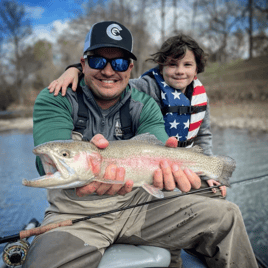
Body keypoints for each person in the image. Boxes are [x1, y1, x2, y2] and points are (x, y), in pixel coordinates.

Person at [24, 21, 258, 268]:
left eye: (120, 63)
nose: (108, 70)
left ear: (130, 68)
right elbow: (45, 164)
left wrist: (181, 167)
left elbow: (160, 143)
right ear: (83, 64)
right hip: (75, 215)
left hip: (142, 205)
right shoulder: (56, 96)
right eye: (97, 61)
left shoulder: (144, 102)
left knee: (227, 215)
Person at [49, 33, 226, 197]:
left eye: (187, 65)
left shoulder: (199, 98)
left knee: (216, 197)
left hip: (187, 163)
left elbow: (203, 134)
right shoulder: (144, 86)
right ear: (162, 67)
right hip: (150, 164)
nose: (180, 71)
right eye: (173, 64)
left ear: (196, 70)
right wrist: (75, 70)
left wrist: (210, 169)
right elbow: (111, 80)